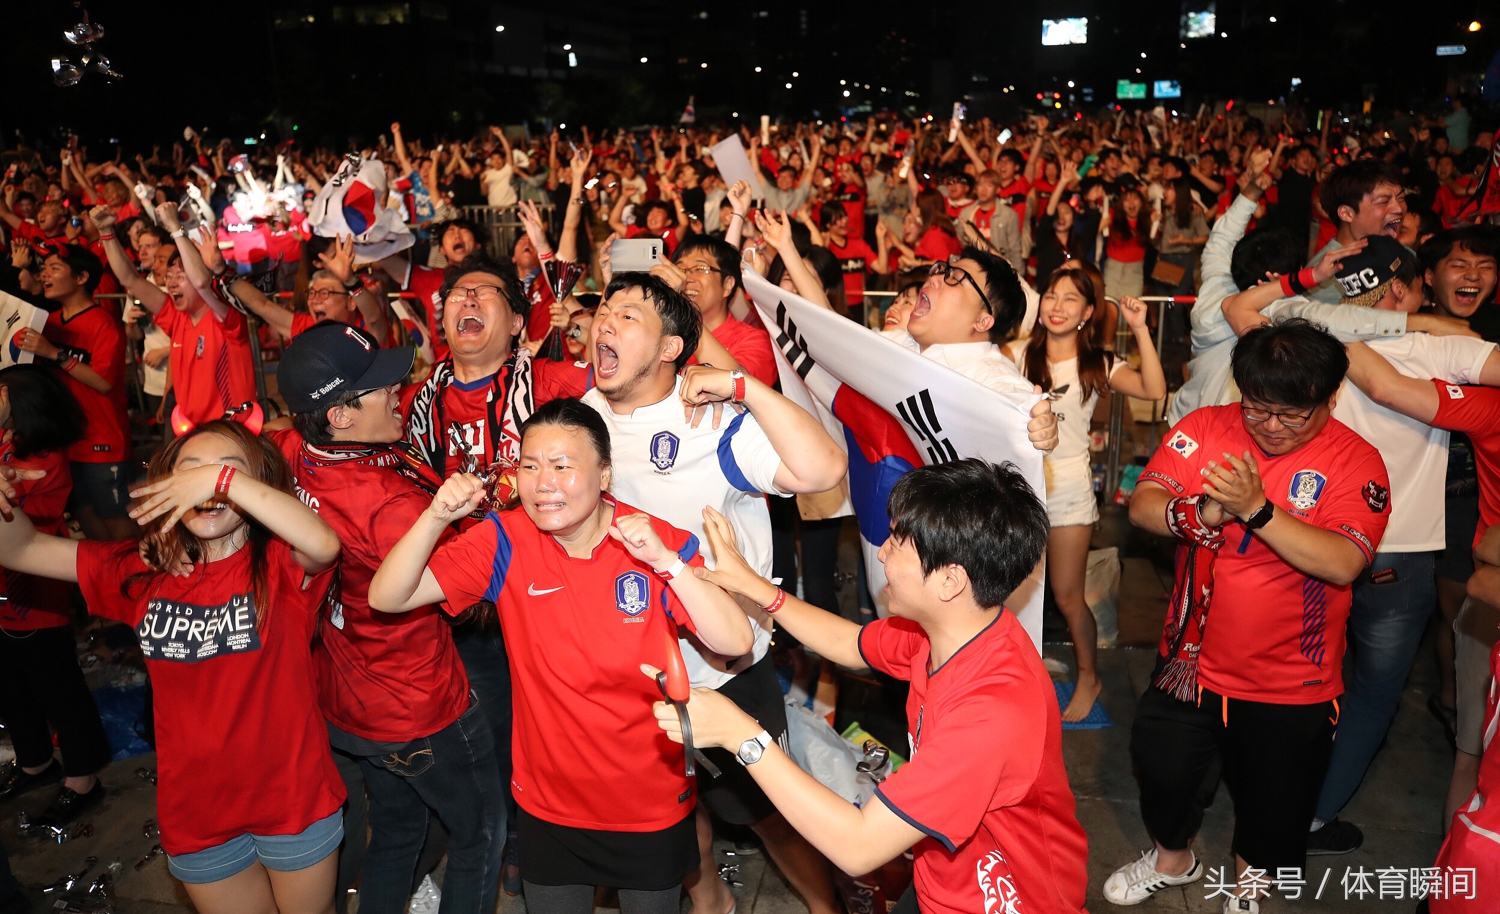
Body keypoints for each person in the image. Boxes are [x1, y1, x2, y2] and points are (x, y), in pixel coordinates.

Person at [650, 459, 1088, 914]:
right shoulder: (951, 630)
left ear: (950, 580)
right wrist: (756, 588)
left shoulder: (991, 712)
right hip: (944, 878)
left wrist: (740, 734)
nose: (882, 552)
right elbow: (851, 643)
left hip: (1009, 900)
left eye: (899, 542)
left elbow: (858, 845)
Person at [369, 398, 754, 914]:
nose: (542, 481)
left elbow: (735, 641)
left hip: (647, 801)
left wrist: (668, 563)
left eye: (562, 465)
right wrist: (437, 515)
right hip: (548, 803)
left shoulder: (646, 538)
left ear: (605, 474)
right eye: (529, 465)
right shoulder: (504, 539)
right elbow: (387, 597)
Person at [580, 270, 848, 914]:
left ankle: (827, 906)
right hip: (628, 667)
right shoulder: (580, 419)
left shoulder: (711, 421)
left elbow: (824, 469)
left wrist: (741, 386)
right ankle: (712, 902)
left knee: (766, 813)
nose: (604, 324)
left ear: (671, 347)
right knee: (664, 807)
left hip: (723, 666)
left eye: (628, 316)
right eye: (604, 311)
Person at [0, 418, 343, 914]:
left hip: (295, 799)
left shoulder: (282, 564)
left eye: (227, 472)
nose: (206, 483)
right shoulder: (144, 571)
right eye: (192, 472)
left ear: (254, 488)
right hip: (196, 812)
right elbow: (22, 548)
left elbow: (325, 544)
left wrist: (221, 482)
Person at [1109, 319, 1390, 913]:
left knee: (1274, 802)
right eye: (1259, 409)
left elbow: (1342, 562)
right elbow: (1145, 505)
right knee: (1163, 771)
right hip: (1188, 659)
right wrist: (1205, 512)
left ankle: (1248, 885)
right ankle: (1172, 860)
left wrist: (1256, 509)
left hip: (1291, 681)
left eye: (1292, 415)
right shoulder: (1206, 428)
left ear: (1331, 397)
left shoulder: (1355, 462)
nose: (1272, 427)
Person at [272, 322, 507, 914]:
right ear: (340, 416)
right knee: (480, 835)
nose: (400, 389)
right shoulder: (392, 507)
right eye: (378, 388)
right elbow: (475, 597)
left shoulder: (298, 452)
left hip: (350, 701)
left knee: (398, 831)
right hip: (420, 704)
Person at [1012, 268, 1165, 721]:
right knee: (1015, 590)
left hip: (1069, 492)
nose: (1057, 306)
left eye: (1070, 299)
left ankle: (1089, 677)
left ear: (1088, 312)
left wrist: (1138, 329)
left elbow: (1154, 389)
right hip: (1019, 487)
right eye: (1051, 296)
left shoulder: (1096, 362)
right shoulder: (1017, 354)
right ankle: (1020, 671)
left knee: (1066, 595)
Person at [0, 366, 111, 826]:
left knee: (55, 682)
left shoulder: (44, 454)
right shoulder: (8, 438)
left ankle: (83, 777)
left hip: (35, 585)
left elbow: (27, 514)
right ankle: (35, 763)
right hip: (6, 587)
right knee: (9, 681)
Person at [89, 203, 258, 428]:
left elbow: (201, 282)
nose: (172, 283)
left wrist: (175, 228)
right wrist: (106, 233)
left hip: (230, 432)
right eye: (169, 276)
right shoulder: (177, 316)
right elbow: (130, 279)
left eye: (180, 276)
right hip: (191, 432)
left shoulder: (226, 314)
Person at [9, 246, 133, 540]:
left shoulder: (104, 324)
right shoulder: (47, 323)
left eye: (55, 268)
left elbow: (103, 382)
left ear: (81, 277)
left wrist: (55, 354)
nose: (45, 274)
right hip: (65, 440)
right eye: (45, 268)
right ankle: (107, 577)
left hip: (102, 441)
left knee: (113, 516)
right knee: (83, 513)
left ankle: (141, 578)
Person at [217, 235, 391, 346]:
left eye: (325, 293)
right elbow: (262, 305)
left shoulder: (365, 331)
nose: (315, 300)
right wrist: (222, 271)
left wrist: (350, 280)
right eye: (313, 293)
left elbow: (375, 318)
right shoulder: (307, 328)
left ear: (351, 302)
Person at [1305, 160, 1408, 303]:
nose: (1399, 209)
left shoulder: (1405, 253)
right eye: (1383, 202)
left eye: (1401, 198)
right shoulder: (1323, 279)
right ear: (1346, 213)